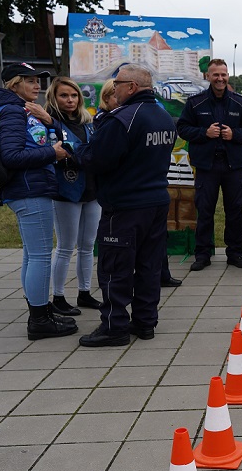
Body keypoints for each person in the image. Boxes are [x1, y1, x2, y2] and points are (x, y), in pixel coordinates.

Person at [72, 64, 177, 345]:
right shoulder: (164, 117)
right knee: (148, 267)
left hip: (125, 205)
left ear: (131, 87)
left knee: (114, 268)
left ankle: (114, 326)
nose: (113, 87)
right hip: (156, 202)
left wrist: (75, 150)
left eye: (117, 83)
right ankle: (145, 323)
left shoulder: (122, 119)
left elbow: (97, 159)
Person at [0, 63, 77, 340]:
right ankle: (39, 320)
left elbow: (46, 138)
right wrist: (52, 153)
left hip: (31, 188)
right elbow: (11, 156)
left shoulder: (23, 109)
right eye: (29, 80)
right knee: (39, 256)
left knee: (32, 254)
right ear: (14, 83)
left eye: (38, 80)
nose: (37, 85)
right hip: (28, 189)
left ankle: (40, 310)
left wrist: (50, 127)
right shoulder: (13, 111)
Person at [176, 58, 242, 271]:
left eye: (223, 74)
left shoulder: (240, 102)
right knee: (204, 211)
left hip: (233, 166)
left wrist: (235, 134)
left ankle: (235, 254)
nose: (220, 78)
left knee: (235, 211)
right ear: (208, 77)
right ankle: (202, 255)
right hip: (206, 166)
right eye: (216, 75)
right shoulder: (195, 103)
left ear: (227, 76)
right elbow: (183, 128)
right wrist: (204, 132)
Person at [44, 77, 101, 316]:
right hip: (66, 191)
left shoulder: (88, 122)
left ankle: (85, 293)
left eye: (74, 95)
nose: (70, 100)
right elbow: (57, 154)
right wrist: (80, 154)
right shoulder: (49, 123)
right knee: (66, 246)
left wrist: (79, 154)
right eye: (64, 95)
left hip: (92, 190)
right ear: (54, 98)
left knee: (88, 246)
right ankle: (58, 296)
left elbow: (94, 151)